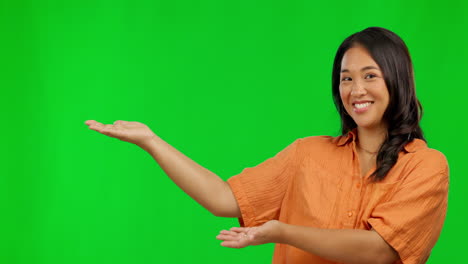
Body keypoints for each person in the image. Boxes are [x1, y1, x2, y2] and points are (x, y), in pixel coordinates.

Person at [84, 27, 449, 264]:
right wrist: (152, 141)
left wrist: (282, 231)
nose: (356, 91)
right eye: (345, 79)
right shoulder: (308, 154)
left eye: (370, 76)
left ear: (397, 80)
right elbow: (224, 199)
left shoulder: (426, 166)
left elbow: (381, 251)